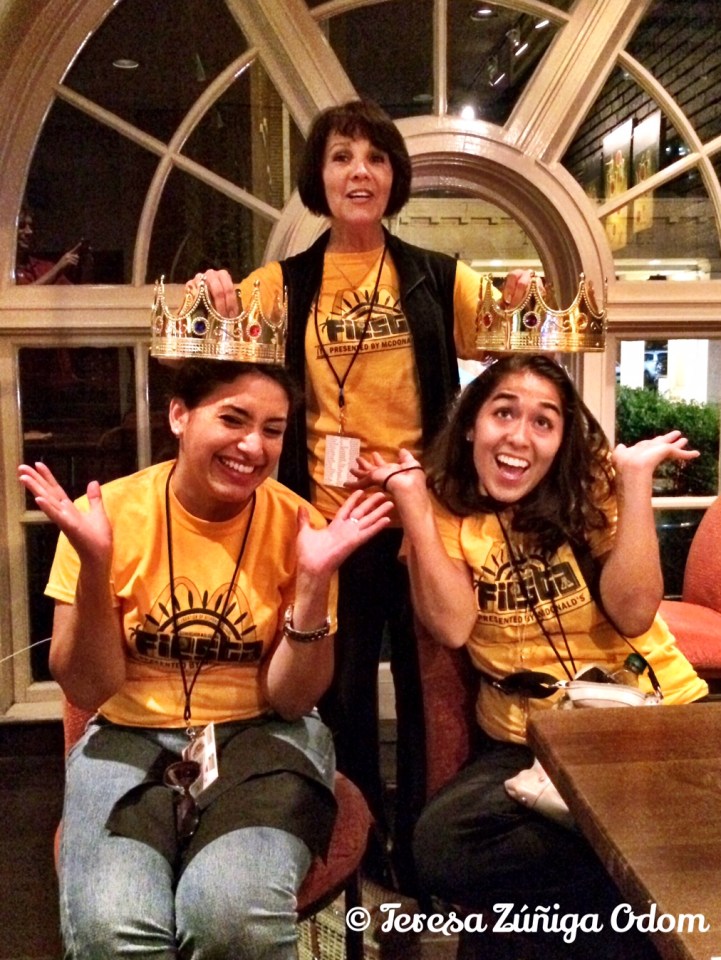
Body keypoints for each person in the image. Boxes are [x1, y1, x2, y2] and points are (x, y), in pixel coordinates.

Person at [189, 98, 532, 891]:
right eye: (341, 157)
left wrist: (516, 300)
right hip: (328, 522)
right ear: (318, 176)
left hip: (416, 516)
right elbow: (220, 368)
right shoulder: (283, 283)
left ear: (393, 177)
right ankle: (356, 835)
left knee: (429, 692)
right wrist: (220, 308)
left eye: (375, 158)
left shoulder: (436, 276)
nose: (359, 172)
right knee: (337, 692)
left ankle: (421, 843)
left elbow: (508, 340)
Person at [17, 358, 392, 960]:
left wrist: (313, 582)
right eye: (233, 420)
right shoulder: (107, 516)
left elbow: (293, 700)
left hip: (265, 733)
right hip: (129, 733)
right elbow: (88, 687)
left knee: (232, 919)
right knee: (114, 930)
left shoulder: (300, 526)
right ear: (179, 416)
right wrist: (94, 567)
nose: (254, 446)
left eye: (273, 429)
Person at [349, 353, 708, 959]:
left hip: (644, 718)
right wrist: (412, 502)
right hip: (525, 739)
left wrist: (634, 483)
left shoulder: (593, 488)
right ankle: (643, 866)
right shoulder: (447, 505)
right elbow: (452, 626)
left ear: (562, 440)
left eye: (544, 421)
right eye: (504, 413)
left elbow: (635, 612)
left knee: (514, 933)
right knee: (440, 846)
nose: (519, 436)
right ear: (472, 425)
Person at [15, 205, 83, 285]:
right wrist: (57, 268)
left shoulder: (43, 267)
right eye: (21, 226)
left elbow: (73, 290)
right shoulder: (5, 270)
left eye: (31, 226)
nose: (29, 232)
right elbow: (20, 293)